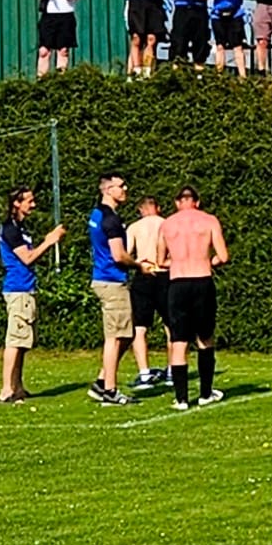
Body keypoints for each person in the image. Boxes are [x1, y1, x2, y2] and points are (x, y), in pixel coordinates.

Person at [156, 186, 229, 409]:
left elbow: (160, 261)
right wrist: (207, 262)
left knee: (179, 341)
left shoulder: (167, 224)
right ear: (196, 202)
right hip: (202, 280)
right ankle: (205, 393)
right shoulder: (209, 221)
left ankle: (181, 399)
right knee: (205, 338)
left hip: (178, 283)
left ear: (178, 203)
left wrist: (178, 262)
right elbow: (223, 256)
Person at [0, 187, 64, 403]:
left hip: (26, 289)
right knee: (15, 340)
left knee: (23, 342)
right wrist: (50, 240)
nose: (33, 205)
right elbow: (27, 258)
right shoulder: (10, 229)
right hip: (17, 290)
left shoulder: (21, 228)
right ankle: (6, 389)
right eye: (29, 201)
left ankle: (18, 386)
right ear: (17, 203)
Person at [86, 172, 138, 406]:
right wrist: (139, 264)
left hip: (104, 279)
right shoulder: (111, 220)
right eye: (121, 185)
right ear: (108, 190)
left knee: (127, 334)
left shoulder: (97, 214)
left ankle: (101, 381)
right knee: (116, 337)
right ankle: (110, 390)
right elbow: (118, 254)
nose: (125, 188)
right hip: (112, 281)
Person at [125, 194, 172, 391]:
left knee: (140, 327)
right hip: (165, 274)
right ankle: (172, 370)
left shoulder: (134, 227)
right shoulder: (168, 224)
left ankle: (144, 373)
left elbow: (126, 252)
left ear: (141, 210)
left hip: (144, 274)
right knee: (171, 324)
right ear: (158, 208)